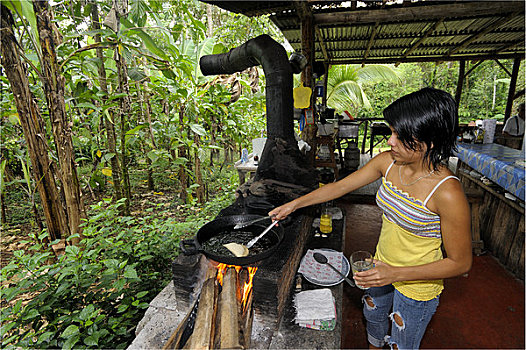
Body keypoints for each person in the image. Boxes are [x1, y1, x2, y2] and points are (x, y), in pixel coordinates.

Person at [269, 87, 472, 349]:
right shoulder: (387, 162)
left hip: (417, 284)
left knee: (401, 343)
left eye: (401, 136)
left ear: (429, 141)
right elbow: (339, 187)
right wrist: (293, 205)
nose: (390, 141)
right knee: (374, 321)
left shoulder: (447, 193)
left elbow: (460, 263)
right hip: (378, 266)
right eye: (392, 132)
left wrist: (395, 273)